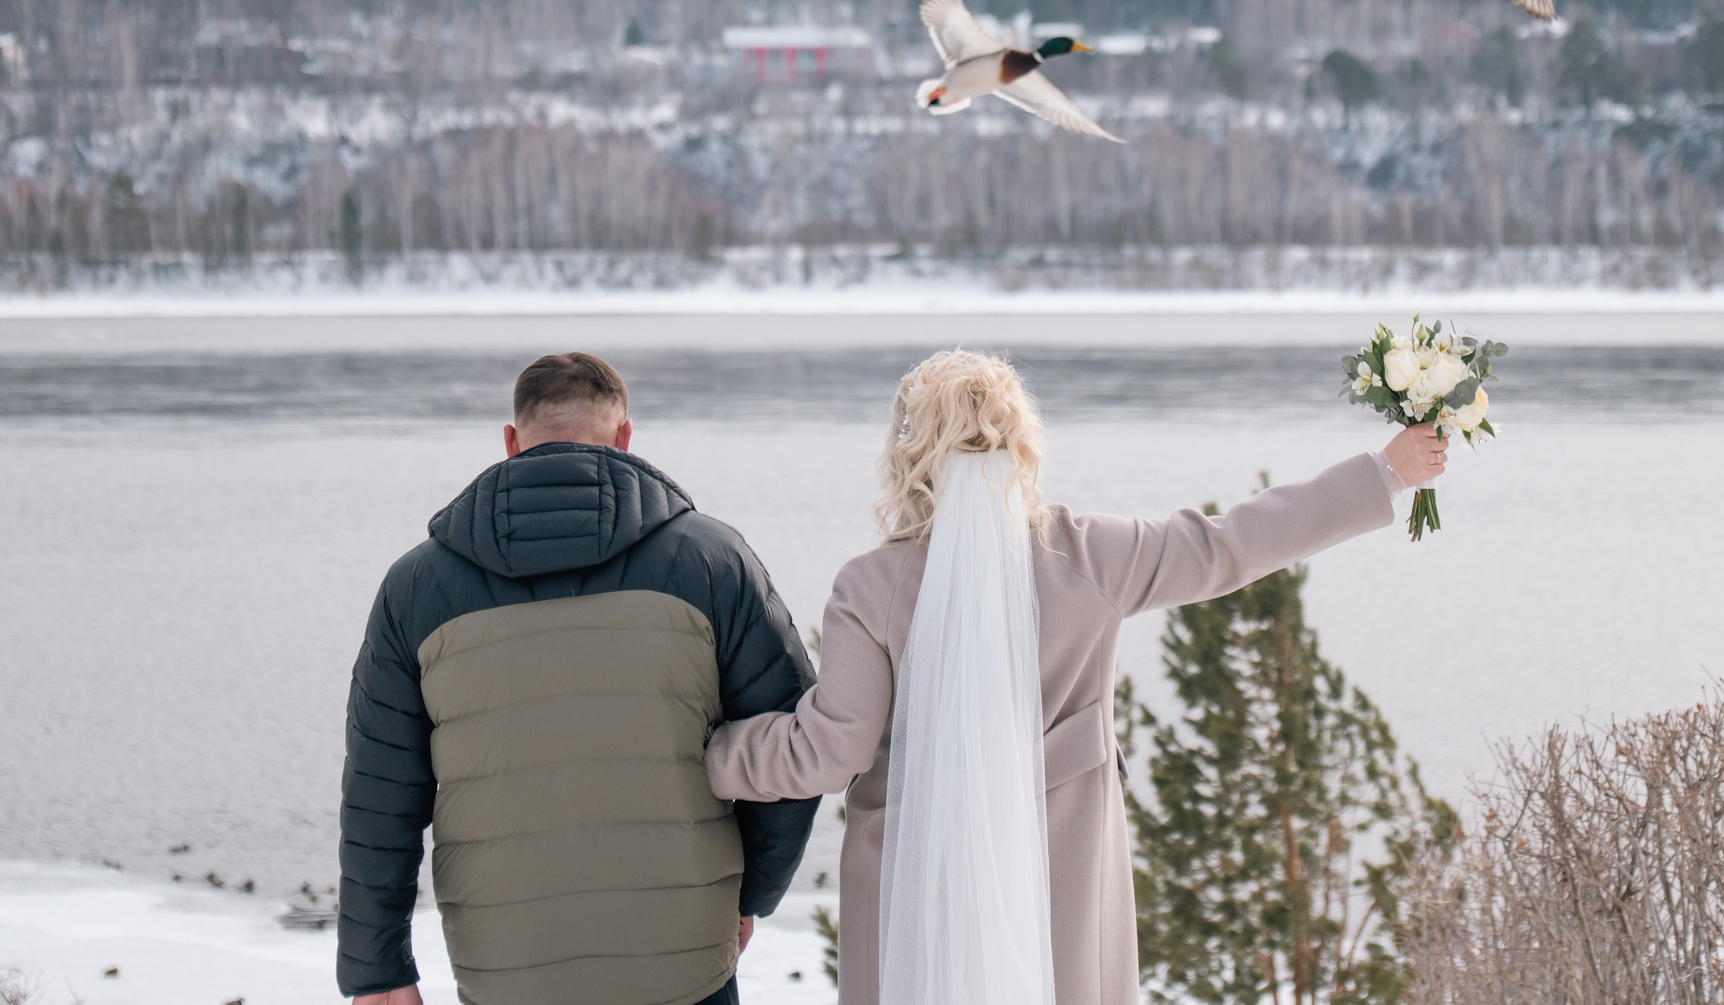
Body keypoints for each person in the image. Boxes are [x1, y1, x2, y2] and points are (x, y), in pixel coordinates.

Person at [705, 348, 1446, 1005]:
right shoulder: (1090, 556)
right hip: (1061, 875)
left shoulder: (870, 587)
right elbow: (1232, 544)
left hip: (913, 896)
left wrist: (714, 752)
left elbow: (826, 752)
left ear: (909, 452)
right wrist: (1384, 473)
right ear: (1020, 441)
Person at [337, 351, 818, 1005]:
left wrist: (379, 969)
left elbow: (379, 792)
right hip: (682, 956)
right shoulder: (713, 560)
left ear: (512, 442)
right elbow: (791, 750)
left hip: (505, 965)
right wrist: (750, 893)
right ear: (624, 437)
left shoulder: (414, 587)